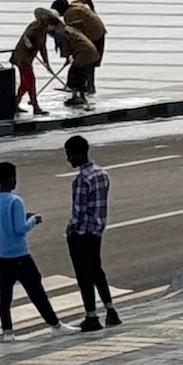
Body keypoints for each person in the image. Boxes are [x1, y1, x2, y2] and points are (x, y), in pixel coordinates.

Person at [0, 160, 65, 339]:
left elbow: (0, 225)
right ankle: (55, 324)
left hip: (1, 254)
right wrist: (33, 220)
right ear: (10, 178)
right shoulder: (15, 200)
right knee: (35, 288)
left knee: (5, 294)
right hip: (19, 253)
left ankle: (7, 331)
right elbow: (19, 229)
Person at [64, 134, 121, 331]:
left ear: (79, 155)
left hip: (82, 234)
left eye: (70, 155)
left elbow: (78, 212)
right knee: (97, 270)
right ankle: (110, 310)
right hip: (97, 231)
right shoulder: (102, 174)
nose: (69, 159)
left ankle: (91, 316)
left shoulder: (81, 180)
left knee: (83, 275)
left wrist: (70, 231)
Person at [50, 0, 100, 108]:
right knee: (81, 72)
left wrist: (68, 59)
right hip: (90, 47)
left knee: (74, 73)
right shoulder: (74, 8)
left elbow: (67, 50)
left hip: (86, 49)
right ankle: (82, 94)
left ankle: (76, 96)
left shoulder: (67, 23)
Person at [12, 9, 56, 116]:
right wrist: (31, 46)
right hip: (23, 58)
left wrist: (47, 63)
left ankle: (16, 103)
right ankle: (34, 106)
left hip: (26, 58)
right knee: (29, 82)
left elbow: (42, 48)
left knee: (27, 83)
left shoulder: (43, 30)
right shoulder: (35, 28)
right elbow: (26, 38)